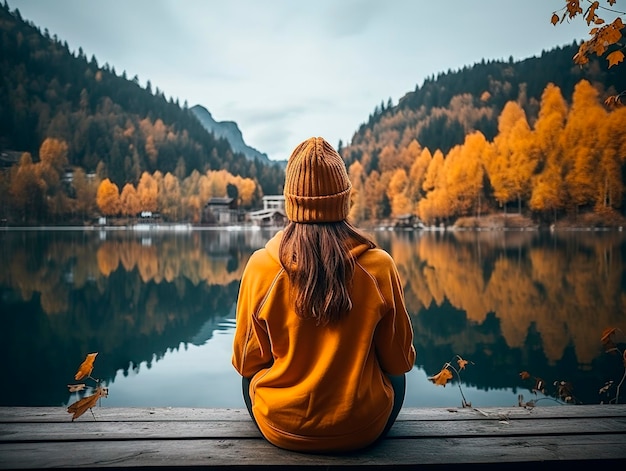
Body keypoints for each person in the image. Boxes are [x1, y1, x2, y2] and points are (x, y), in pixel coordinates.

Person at [231, 136, 416, 453]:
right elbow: (399, 360)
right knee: (395, 378)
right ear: (343, 200)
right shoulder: (379, 267)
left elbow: (246, 363)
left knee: (250, 380)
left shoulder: (261, 267)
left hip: (279, 426)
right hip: (363, 427)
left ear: (291, 203)